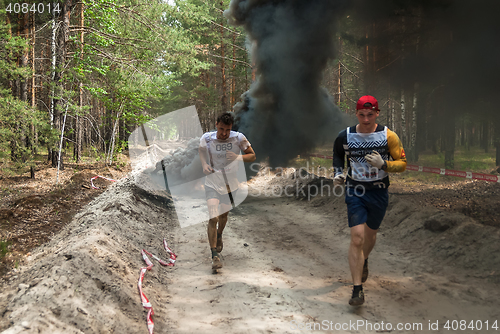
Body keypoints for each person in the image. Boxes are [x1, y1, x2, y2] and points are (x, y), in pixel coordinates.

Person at [332, 95, 407, 306]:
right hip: (355, 190)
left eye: (370, 114)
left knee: (370, 235)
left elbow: (402, 163)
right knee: (357, 237)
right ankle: (357, 289)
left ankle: (363, 260)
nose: (366, 119)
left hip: (379, 192)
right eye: (362, 115)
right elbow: (338, 155)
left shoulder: (388, 136)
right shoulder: (345, 136)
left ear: (377, 113)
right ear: (356, 114)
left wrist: (384, 165)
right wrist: (338, 173)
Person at [199, 112, 256, 270]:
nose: (224, 133)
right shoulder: (207, 138)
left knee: (223, 216)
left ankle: (219, 235)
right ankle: (214, 256)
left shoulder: (238, 138)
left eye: (227, 130)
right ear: (216, 124)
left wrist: (237, 158)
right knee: (213, 218)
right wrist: (204, 165)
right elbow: (201, 151)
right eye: (222, 129)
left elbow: (252, 155)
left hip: (231, 186)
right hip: (212, 183)